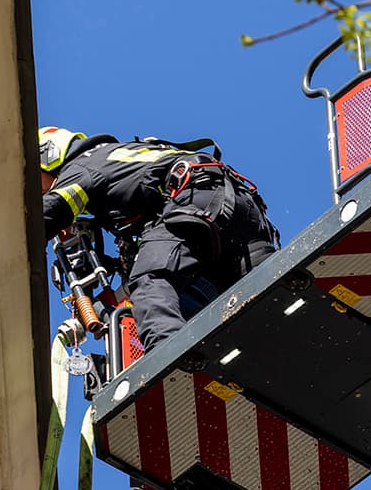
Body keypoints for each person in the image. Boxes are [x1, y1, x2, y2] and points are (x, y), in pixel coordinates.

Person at [38, 127, 279, 350]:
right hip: (241, 211)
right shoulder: (119, 158)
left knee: (150, 281)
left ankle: (170, 358)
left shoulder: (83, 166)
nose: (38, 192)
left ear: (47, 155)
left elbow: (47, 213)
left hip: (194, 201)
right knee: (264, 301)